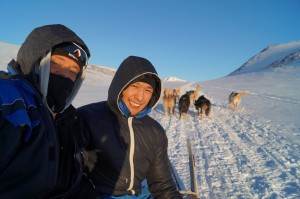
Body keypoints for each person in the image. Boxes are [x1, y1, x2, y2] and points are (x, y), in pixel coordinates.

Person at [0, 24, 90, 198]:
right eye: (56, 63)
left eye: (73, 71)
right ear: (36, 62)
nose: (65, 74)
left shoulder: (66, 117)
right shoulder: (10, 99)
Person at [74, 56, 183, 199]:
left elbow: (162, 185)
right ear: (121, 87)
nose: (140, 97)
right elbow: (72, 177)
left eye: (148, 90)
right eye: (135, 86)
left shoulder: (155, 131)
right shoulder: (87, 118)